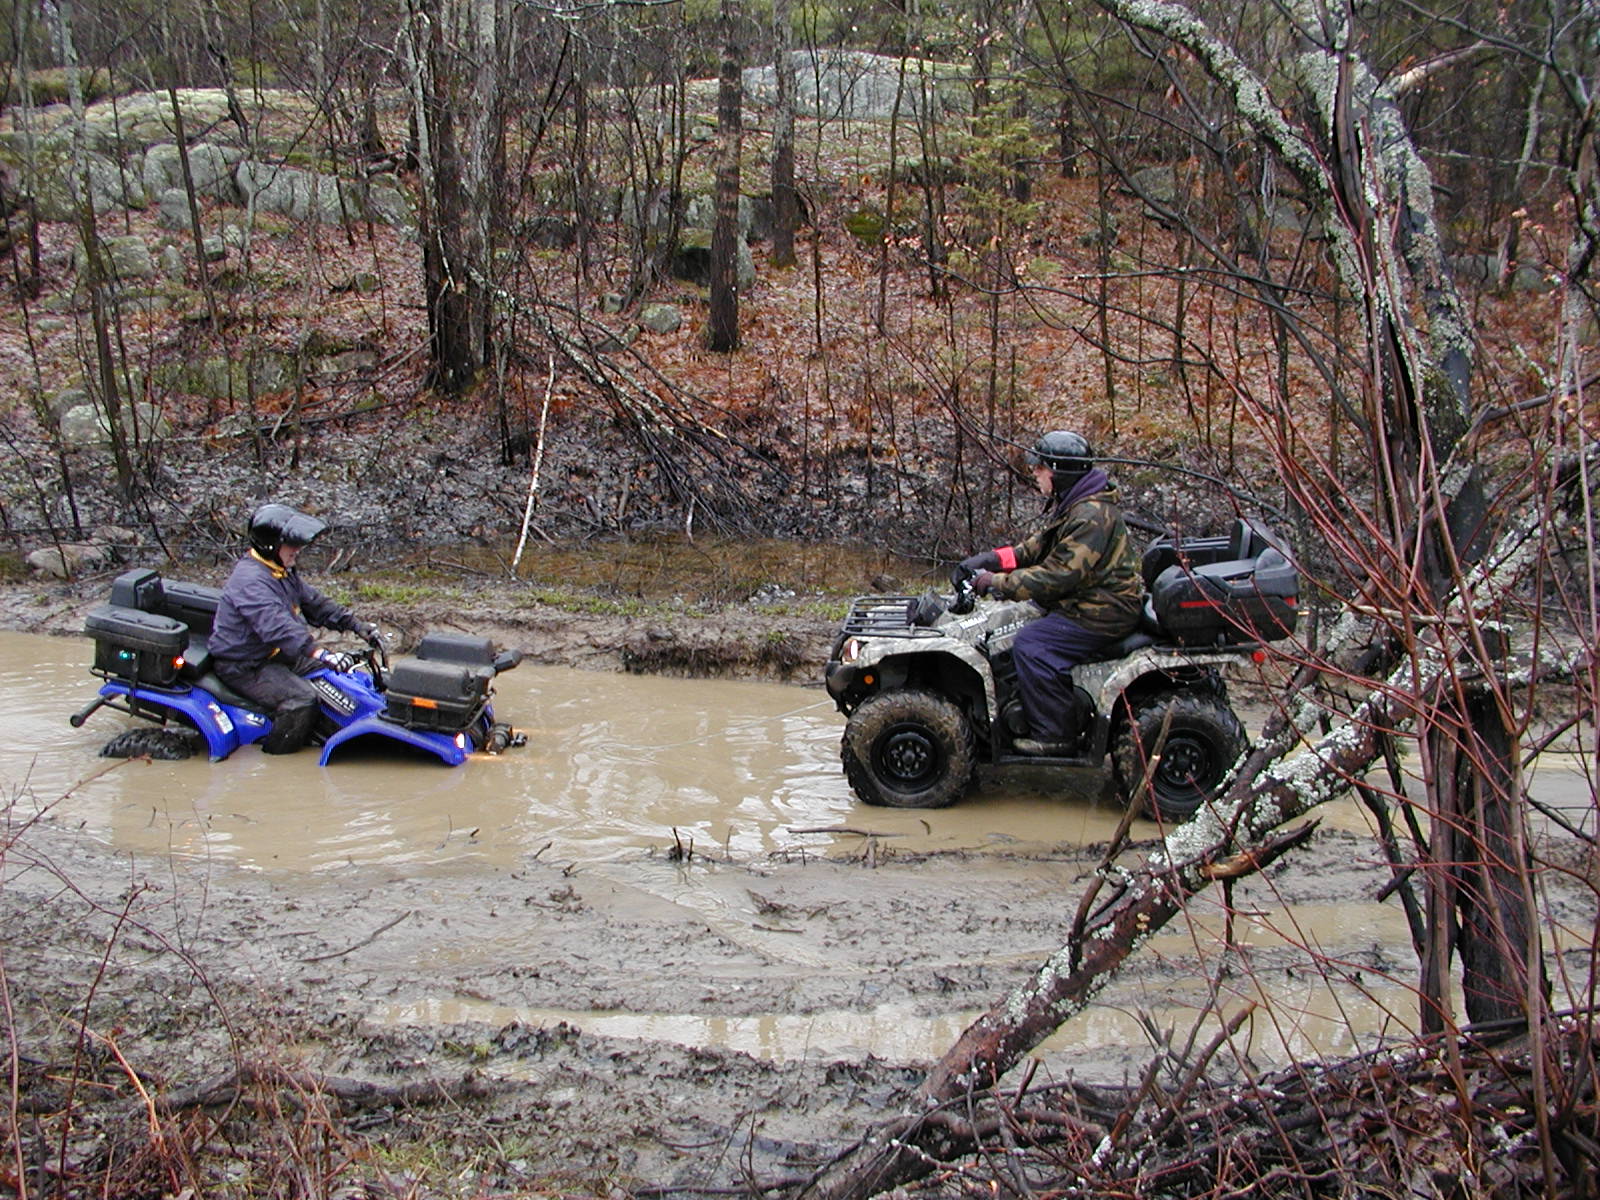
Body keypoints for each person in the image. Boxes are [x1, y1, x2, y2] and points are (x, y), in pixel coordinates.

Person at [954, 431, 1144, 755]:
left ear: (1058, 471)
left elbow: (1058, 575)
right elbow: (1036, 549)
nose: (1035, 474)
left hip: (1102, 609)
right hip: (1088, 600)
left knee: (1033, 644)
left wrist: (994, 583)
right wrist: (991, 560)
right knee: (1005, 628)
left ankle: (1054, 734)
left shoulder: (1091, 515)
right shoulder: (1077, 505)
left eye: (1039, 468)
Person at [209, 503, 381, 755]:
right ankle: (277, 758)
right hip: (244, 665)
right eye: (291, 545)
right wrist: (319, 652)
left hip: (276, 654)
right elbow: (277, 627)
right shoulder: (250, 581)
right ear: (271, 545)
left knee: (335, 677)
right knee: (301, 700)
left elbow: (315, 603)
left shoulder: (280, 572)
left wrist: (356, 625)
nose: (297, 551)